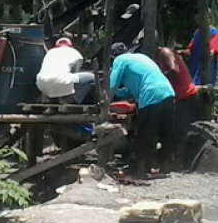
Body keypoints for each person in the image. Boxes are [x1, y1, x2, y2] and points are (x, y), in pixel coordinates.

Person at [109, 42, 175, 176]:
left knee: (146, 133)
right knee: (165, 132)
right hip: (168, 92)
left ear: (113, 56)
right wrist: (127, 93)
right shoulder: (141, 57)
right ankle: (165, 167)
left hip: (150, 96)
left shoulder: (119, 60)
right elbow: (140, 83)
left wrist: (116, 94)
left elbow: (112, 85)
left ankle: (140, 169)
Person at [154, 46, 202, 164]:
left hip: (185, 96)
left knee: (178, 131)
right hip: (180, 96)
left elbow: (174, 69)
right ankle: (172, 160)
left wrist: (158, 78)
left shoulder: (165, 52)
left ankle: (178, 162)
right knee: (173, 129)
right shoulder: (160, 57)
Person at [35, 36, 95, 103]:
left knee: (56, 79)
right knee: (91, 77)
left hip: (41, 84)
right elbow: (75, 73)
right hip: (61, 83)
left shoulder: (49, 52)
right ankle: (72, 101)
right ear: (71, 46)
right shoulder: (76, 53)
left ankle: (51, 100)